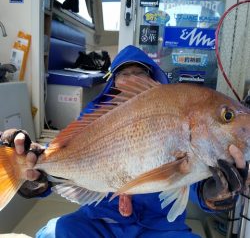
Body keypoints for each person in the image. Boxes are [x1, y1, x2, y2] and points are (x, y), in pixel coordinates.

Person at [0, 45, 248, 238]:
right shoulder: (93, 117)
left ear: (152, 79)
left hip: (159, 228)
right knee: (60, 231)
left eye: (139, 73)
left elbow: (188, 181)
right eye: (124, 74)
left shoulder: (178, 118)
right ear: (113, 82)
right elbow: (67, 158)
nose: (131, 79)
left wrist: (210, 192)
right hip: (101, 222)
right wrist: (39, 174)